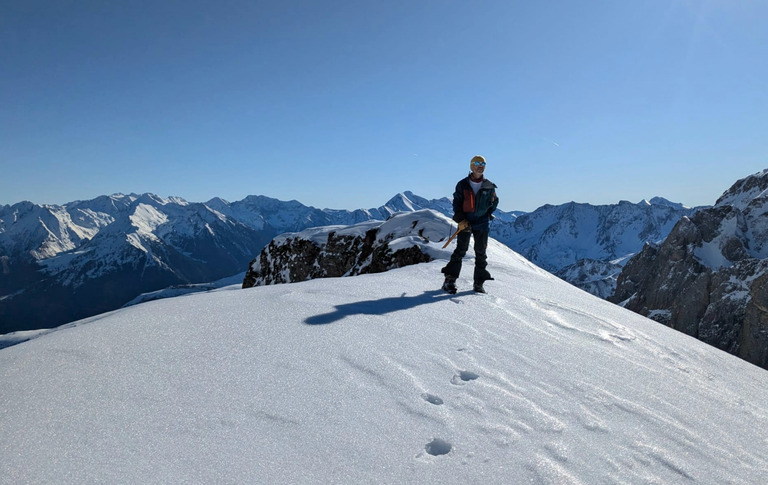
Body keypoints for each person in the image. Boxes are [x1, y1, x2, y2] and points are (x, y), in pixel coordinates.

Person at [441, 155, 499, 294]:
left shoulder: (489, 186)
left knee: (481, 252)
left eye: (483, 163)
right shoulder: (462, 185)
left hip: (482, 222)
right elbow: (457, 203)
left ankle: (478, 283)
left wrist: (487, 214)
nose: (481, 166)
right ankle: (450, 280)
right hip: (465, 221)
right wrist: (461, 219)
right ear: (471, 166)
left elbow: (494, 202)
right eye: (477, 163)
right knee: (461, 250)